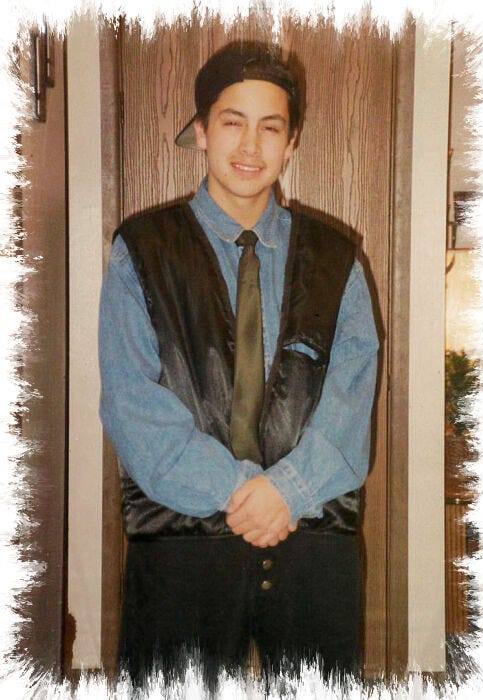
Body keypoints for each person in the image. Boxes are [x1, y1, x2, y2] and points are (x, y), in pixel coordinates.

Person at [99, 41, 379, 691]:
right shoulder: (140, 250)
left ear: (291, 143)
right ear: (200, 131)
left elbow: (351, 395)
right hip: (181, 545)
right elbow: (131, 400)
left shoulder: (338, 258)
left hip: (314, 540)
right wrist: (239, 493)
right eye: (232, 122)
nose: (250, 145)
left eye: (270, 127)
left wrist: (288, 492)